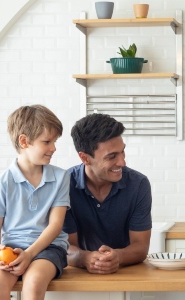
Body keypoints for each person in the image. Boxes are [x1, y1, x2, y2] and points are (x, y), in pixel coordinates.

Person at [0, 105, 70, 300]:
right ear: (24, 141)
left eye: (54, 141)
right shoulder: (3, 181)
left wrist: (29, 254)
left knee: (34, 282)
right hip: (10, 248)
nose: (53, 148)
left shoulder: (61, 177)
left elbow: (56, 225)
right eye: (47, 142)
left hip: (48, 248)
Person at [64, 113, 152, 274]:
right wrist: (84, 258)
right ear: (85, 158)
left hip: (125, 273)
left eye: (122, 152)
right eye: (112, 156)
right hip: (79, 275)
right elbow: (65, 247)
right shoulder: (64, 186)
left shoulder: (139, 184)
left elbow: (141, 246)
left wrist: (118, 256)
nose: (122, 162)